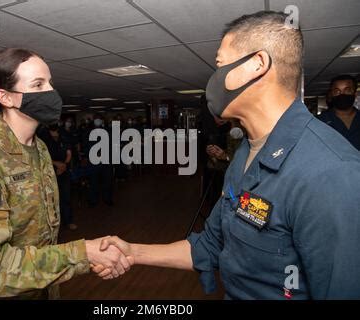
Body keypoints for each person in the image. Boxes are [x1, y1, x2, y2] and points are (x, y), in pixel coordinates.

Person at [92, 11, 360, 299]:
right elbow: (211, 245)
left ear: (257, 65)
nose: (214, 78)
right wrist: (134, 252)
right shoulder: (246, 153)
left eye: (220, 65)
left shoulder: (332, 172)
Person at [0, 48, 130, 300]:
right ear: (6, 97)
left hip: (44, 289)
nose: (51, 93)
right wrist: (83, 253)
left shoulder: (40, 148)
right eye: (38, 84)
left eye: (50, 83)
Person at [44, 123, 77, 230]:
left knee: (66, 197)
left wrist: (64, 165)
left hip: (64, 171)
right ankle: (54, 223)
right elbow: (44, 157)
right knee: (52, 199)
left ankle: (69, 221)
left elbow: (69, 153)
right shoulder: (43, 140)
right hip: (50, 172)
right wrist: (56, 164)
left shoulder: (64, 138)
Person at [317, 75, 359, 150]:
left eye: (347, 90)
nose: (342, 94)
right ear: (332, 94)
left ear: (355, 94)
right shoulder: (320, 122)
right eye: (337, 91)